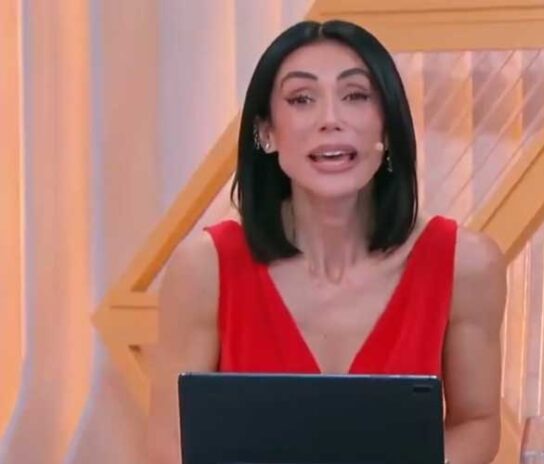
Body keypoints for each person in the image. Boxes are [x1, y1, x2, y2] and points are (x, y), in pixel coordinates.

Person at [146, 19, 507, 464]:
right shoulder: (204, 268)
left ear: (387, 127)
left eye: (355, 96)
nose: (331, 120)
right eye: (301, 99)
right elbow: (169, 444)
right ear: (266, 133)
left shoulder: (466, 263)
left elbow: (476, 422)